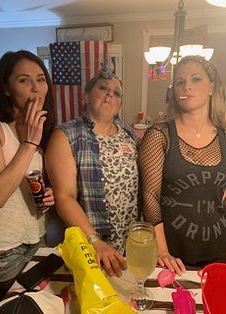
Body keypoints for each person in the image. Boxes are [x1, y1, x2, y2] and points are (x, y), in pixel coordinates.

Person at [45, 65, 139, 277]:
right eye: (103, 88)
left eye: (116, 93)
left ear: (120, 103)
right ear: (86, 96)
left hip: (130, 245)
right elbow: (64, 197)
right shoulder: (66, 135)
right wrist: (95, 240)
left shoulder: (129, 133)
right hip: (93, 248)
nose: (110, 95)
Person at [138, 55, 226, 275]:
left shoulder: (224, 136)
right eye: (179, 82)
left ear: (211, 87)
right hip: (174, 257)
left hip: (220, 252)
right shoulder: (159, 135)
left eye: (196, 79)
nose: (187, 86)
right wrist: (162, 252)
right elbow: (149, 196)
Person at [0, 50, 55, 302]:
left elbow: (30, 180)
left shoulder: (40, 126)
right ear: (6, 88)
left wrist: (48, 195)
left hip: (36, 237)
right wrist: (29, 142)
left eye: (40, 79)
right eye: (24, 80)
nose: (35, 88)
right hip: (3, 249)